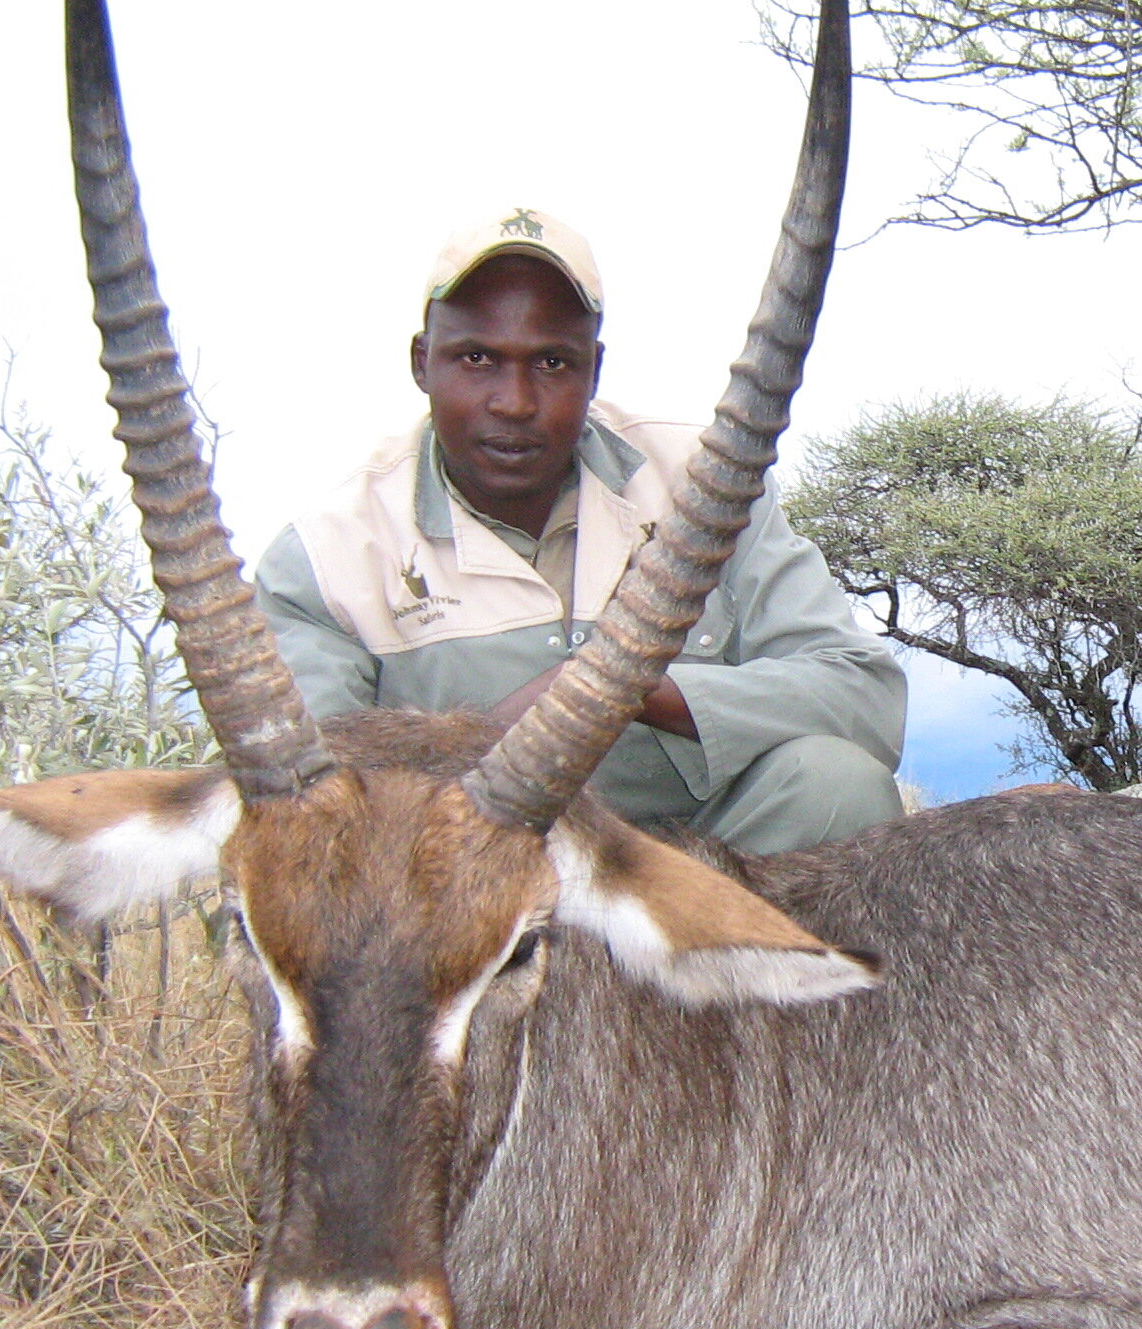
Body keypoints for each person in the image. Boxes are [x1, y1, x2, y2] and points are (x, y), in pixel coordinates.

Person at [254, 208, 906, 854]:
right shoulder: (329, 554)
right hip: (461, 891)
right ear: (423, 363)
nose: (514, 401)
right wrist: (483, 750)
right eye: (477, 357)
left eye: (552, 364)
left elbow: (864, 698)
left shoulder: (708, 484)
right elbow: (306, 803)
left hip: (691, 887)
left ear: (594, 369)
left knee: (838, 784)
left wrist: (625, 687)